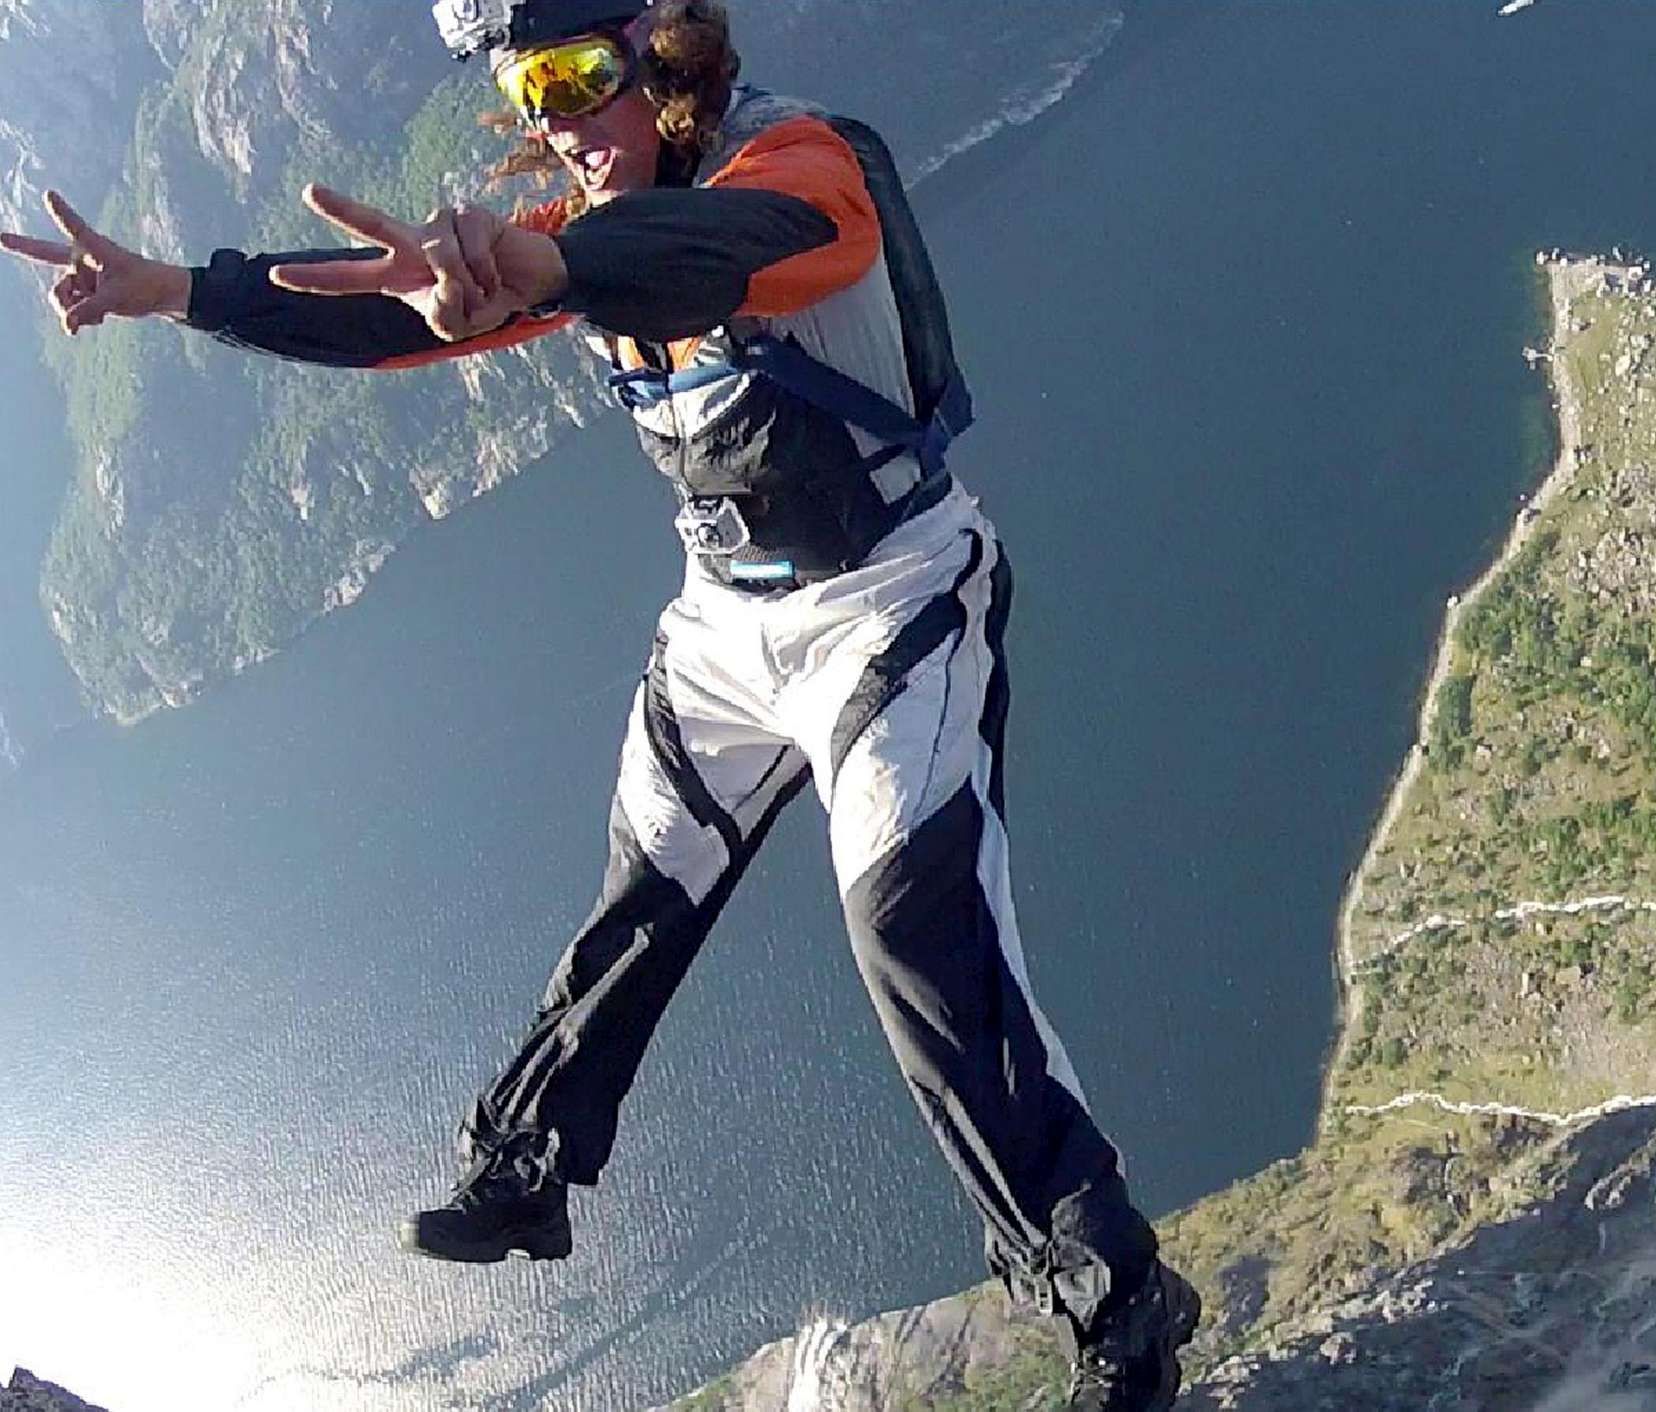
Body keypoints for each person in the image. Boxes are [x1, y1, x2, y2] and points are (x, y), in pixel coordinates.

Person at [2, 1, 1199, 1405]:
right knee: (647, 886)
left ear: (663, 56)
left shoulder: (802, 165)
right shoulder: (576, 230)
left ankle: (1114, 1295)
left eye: (580, 77)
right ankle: (528, 1168)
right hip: (726, 619)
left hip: (893, 595)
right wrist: (171, 289)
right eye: (533, 94)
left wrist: (551, 267)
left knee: (915, 937)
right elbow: (386, 318)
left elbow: (731, 247)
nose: (560, 122)